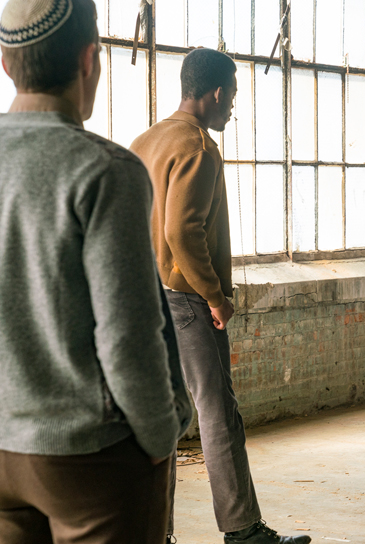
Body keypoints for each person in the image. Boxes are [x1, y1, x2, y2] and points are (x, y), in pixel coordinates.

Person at [0, 0, 192, 542]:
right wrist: (159, 438)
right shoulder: (105, 171)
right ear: (90, 59)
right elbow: (127, 336)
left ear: (7, 63)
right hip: (87, 455)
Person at [130, 48, 309, 544]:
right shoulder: (198, 148)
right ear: (215, 93)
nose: (232, 106)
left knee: (158, 418)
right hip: (186, 300)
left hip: (145, 301)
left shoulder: (145, 141)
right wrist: (215, 296)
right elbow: (182, 232)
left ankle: (154, 533)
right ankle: (243, 530)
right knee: (217, 413)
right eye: (232, 95)